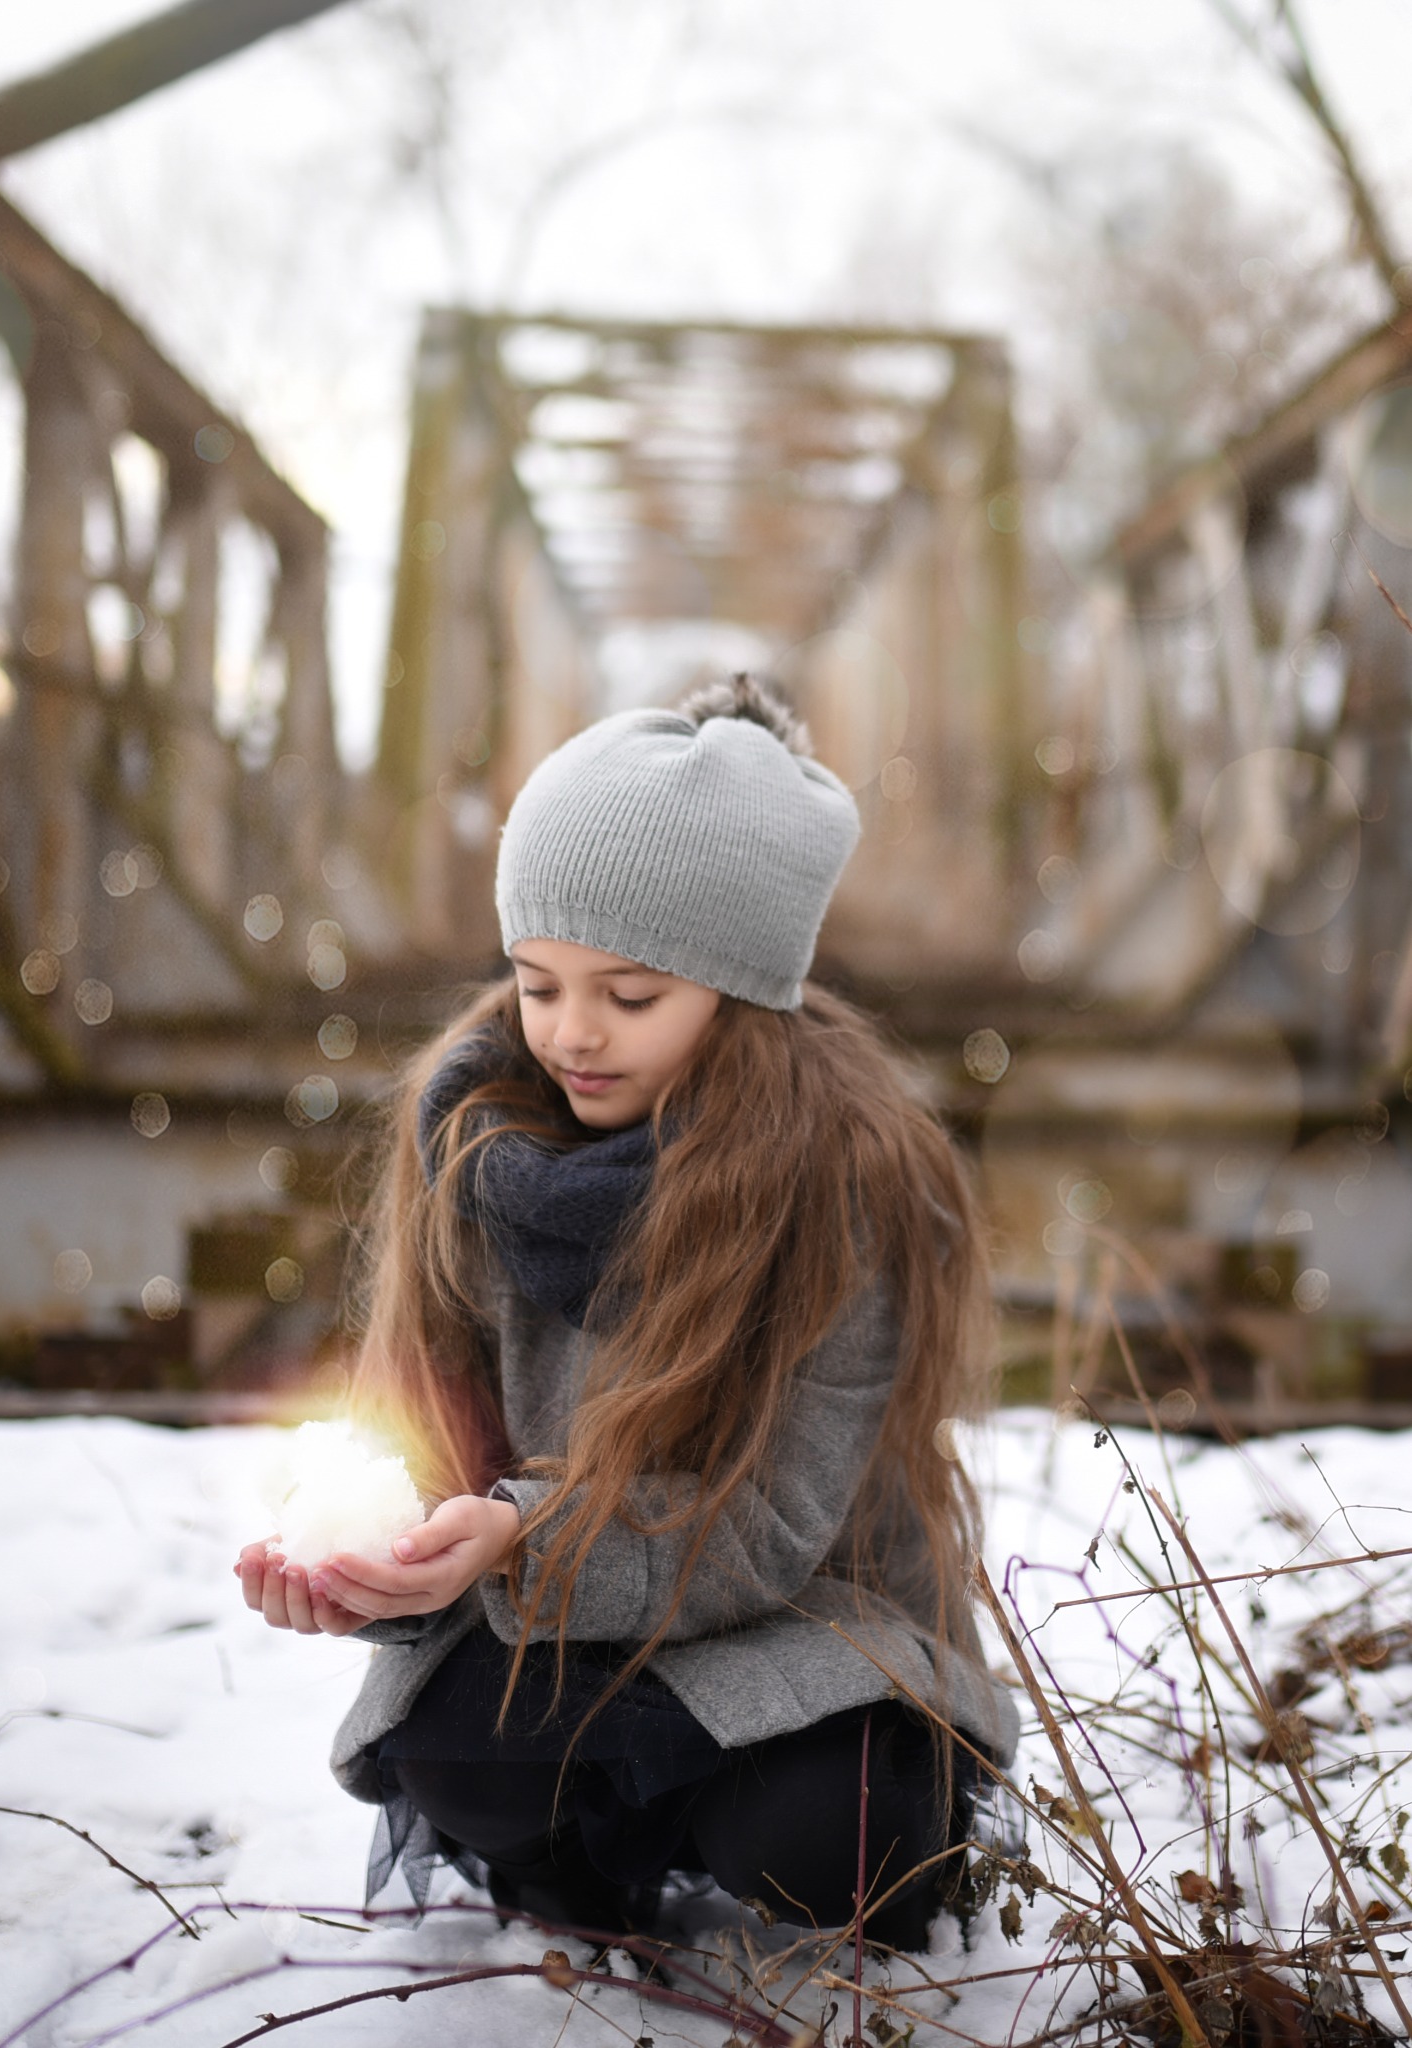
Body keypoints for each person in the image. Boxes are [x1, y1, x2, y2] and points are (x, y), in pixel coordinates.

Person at [236, 674, 1018, 1950]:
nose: (572, 1034)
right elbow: (436, 1447)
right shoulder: (474, 1132)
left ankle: (744, 1819)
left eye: (630, 995)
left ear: (738, 989)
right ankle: (596, 1860)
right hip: (561, 1612)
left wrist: (514, 1534)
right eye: (536, 982)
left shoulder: (846, 1176)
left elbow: (767, 1529)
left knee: (829, 1833)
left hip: (800, 1618)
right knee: (448, 1751)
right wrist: (379, 1564)